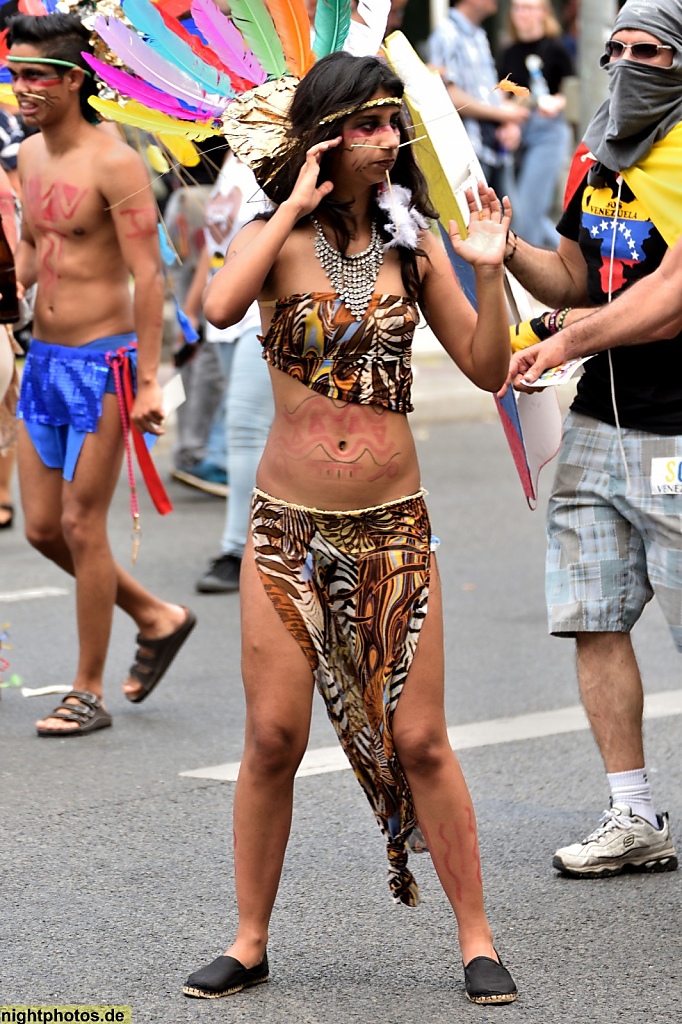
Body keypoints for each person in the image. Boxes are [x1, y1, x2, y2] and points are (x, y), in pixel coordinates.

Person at [183, 51, 518, 1006]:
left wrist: (489, 277)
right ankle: (249, 940)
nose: (386, 140)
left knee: (422, 739)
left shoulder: (417, 245)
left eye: (390, 124)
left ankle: (477, 936)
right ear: (325, 135)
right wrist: (288, 204)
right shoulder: (274, 236)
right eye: (365, 124)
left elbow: (489, 368)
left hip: (392, 529)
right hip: (288, 529)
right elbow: (214, 307)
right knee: (273, 736)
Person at [501, 0, 682, 878]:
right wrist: (506, 250)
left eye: (647, 50)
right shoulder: (600, 154)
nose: (625, 63)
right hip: (595, 427)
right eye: (613, 49)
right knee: (593, 620)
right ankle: (635, 812)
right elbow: (575, 270)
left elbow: (669, 300)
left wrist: (563, 340)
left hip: (677, 435)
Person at [8, 12, 196, 735]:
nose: (21, 88)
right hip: (44, 360)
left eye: (36, 77)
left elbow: (151, 278)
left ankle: (86, 689)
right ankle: (156, 615)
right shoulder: (27, 157)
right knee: (42, 528)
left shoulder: (115, 164)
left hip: (106, 365)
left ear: (75, 81)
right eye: (14, 75)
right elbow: (32, 248)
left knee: (84, 523)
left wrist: (149, 379)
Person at [190, 151, 274, 593]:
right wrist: (192, 307)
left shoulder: (279, 148)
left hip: (262, 307)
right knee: (263, 431)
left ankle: (238, 551)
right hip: (224, 308)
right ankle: (291, 542)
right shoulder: (232, 157)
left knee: (245, 428)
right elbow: (215, 243)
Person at [427, 0, 528, 199]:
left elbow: (489, 90)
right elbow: (450, 96)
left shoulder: (479, 34)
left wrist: (507, 122)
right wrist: (503, 114)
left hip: (495, 147)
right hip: (467, 149)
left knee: (508, 220)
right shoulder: (447, 34)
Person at [500, 0, 573, 248]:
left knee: (530, 210)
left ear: (543, 13)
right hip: (516, 132)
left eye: (529, 7)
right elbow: (503, 95)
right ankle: (572, 262)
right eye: (518, 7)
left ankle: (565, 267)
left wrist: (556, 102)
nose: (523, 14)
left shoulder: (556, 48)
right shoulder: (509, 51)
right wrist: (505, 119)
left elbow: (571, 92)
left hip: (547, 131)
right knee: (519, 209)